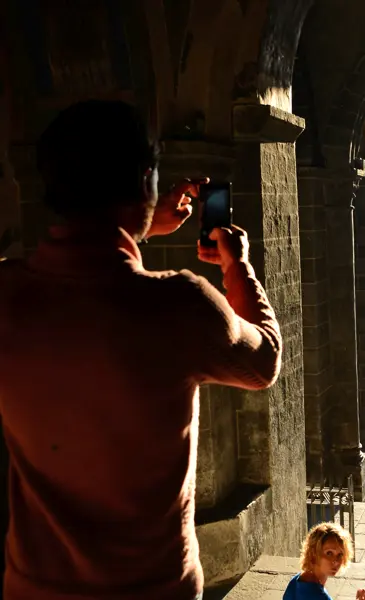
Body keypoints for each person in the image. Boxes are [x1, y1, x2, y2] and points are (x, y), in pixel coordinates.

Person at [0, 100, 283, 600]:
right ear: (147, 179)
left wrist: (137, 227)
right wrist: (237, 266)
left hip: (33, 587)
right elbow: (264, 362)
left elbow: (81, 270)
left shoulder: (8, 294)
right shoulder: (180, 304)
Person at [284, 523, 365, 600]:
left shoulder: (296, 580)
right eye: (329, 553)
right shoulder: (320, 597)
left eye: (340, 554)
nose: (336, 561)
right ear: (314, 553)